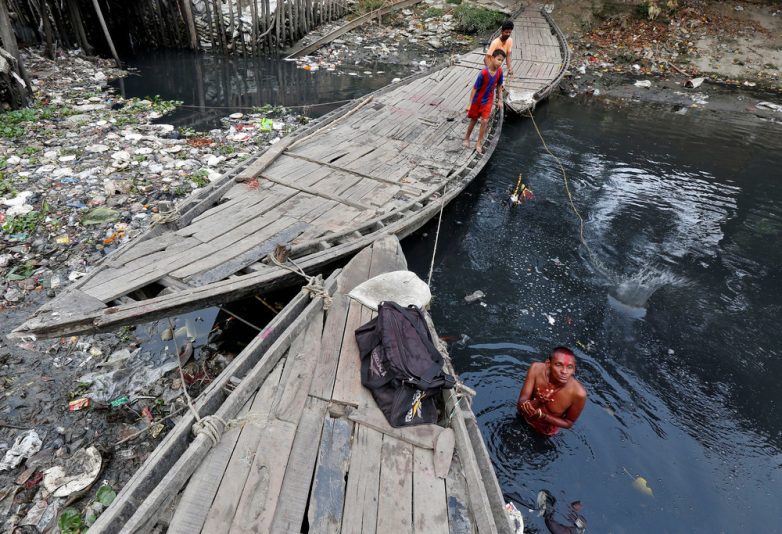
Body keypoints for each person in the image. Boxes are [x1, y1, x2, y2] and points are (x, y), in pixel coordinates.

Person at [517, 347, 587, 436]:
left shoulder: (579, 393)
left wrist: (543, 416)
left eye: (569, 367)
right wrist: (539, 402)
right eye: (558, 365)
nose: (564, 371)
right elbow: (520, 405)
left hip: (544, 432)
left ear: (574, 370)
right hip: (524, 418)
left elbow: (568, 423)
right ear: (548, 364)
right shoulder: (536, 369)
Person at [463, 49, 505, 155]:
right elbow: (474, 89)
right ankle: (467, 138)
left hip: (488, 100)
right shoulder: (483, 73)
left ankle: (478, 143)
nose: (500, 62)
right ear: (492, 58)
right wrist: (469, 103)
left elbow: (499, 86)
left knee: (485, 121)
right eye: (498, 59)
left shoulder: (500, 72)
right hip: (478, 100)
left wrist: (500, 99)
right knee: (473, 120)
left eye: (502, 60)